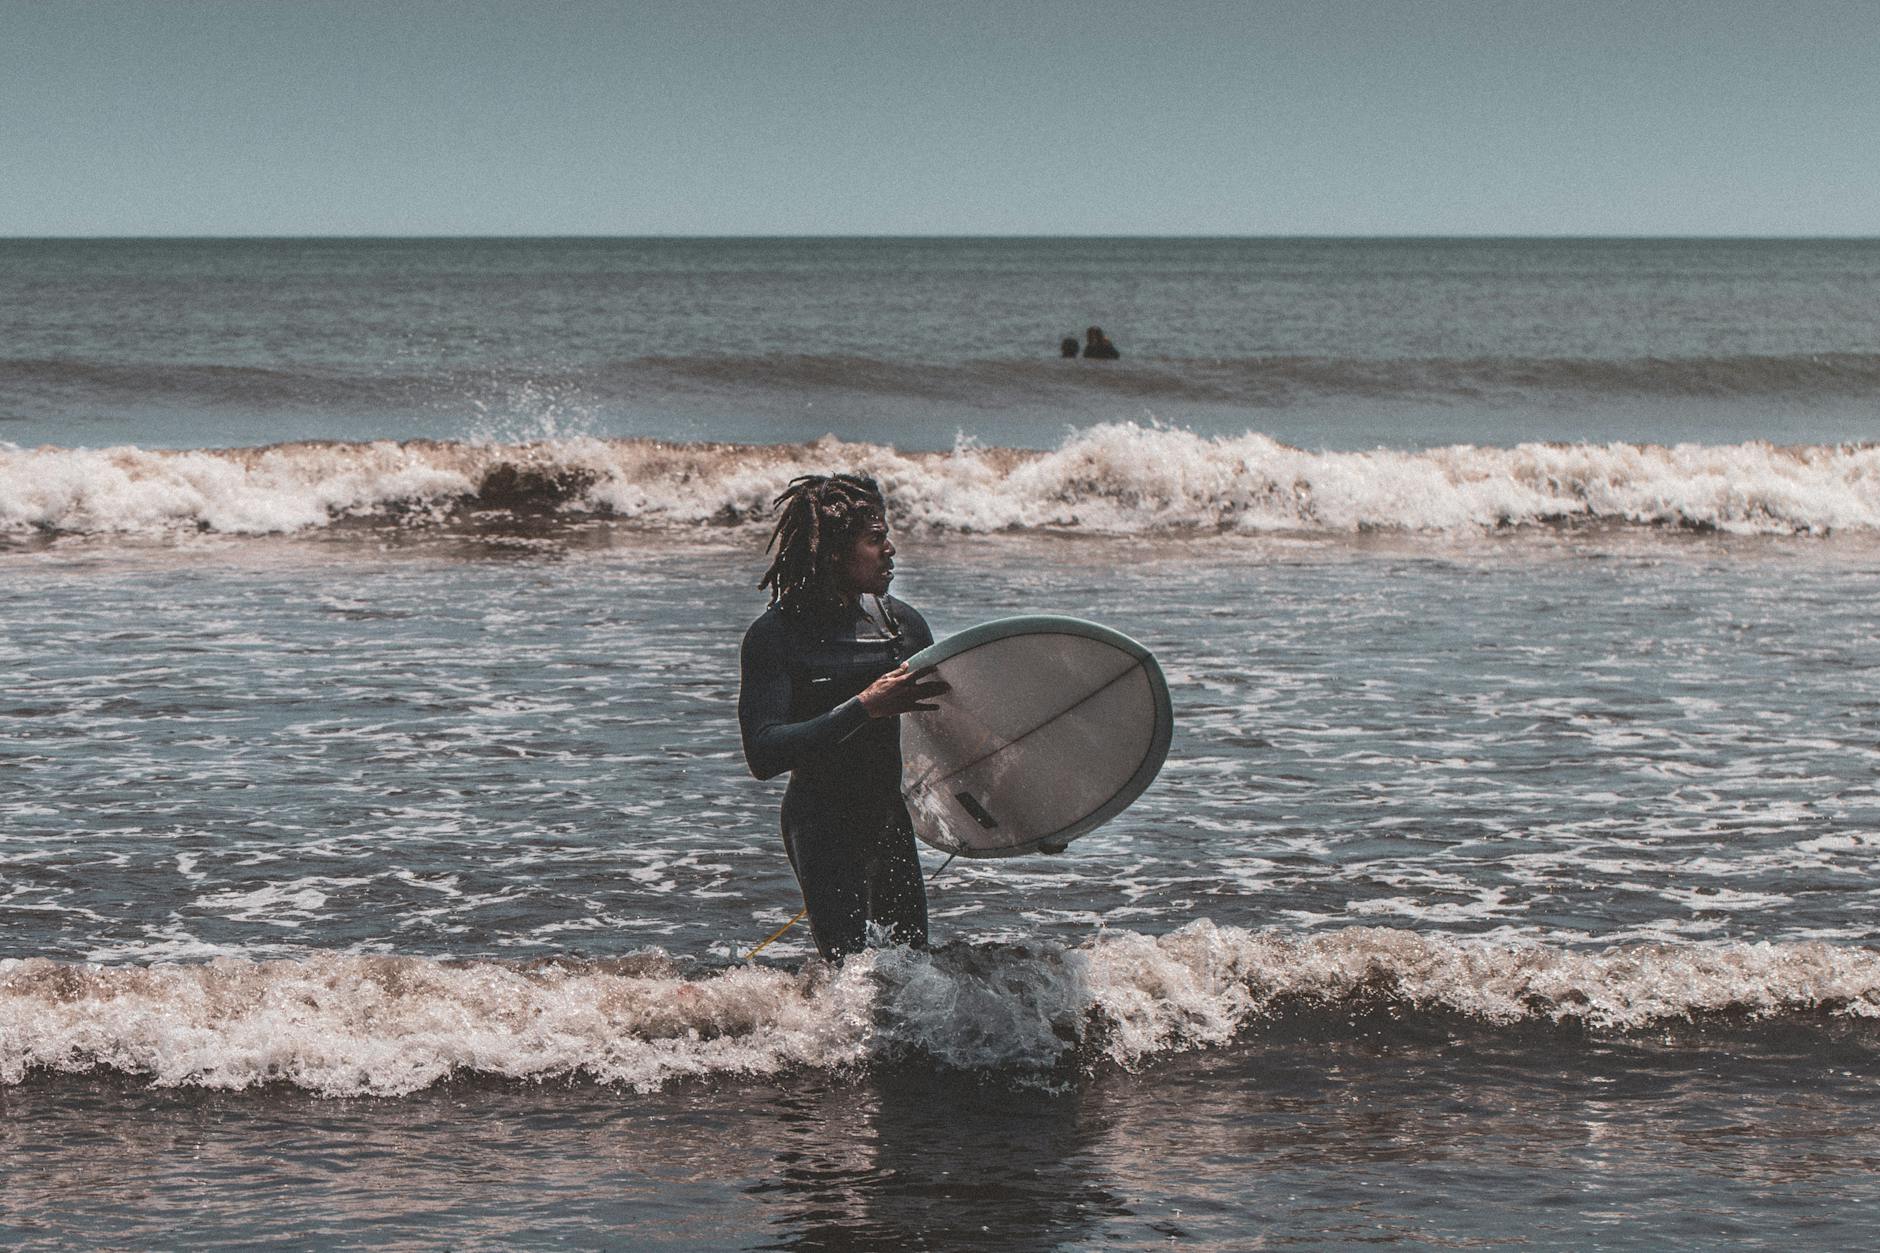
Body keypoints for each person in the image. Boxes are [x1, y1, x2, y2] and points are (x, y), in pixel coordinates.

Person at [737, 473, 948, 961]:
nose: (891, 550)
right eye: (875, 540)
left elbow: (956, 732)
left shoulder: (904, 627)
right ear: (834, 551)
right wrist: (865, 707)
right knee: (848, 975)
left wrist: (1030, 821)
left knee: (913, 971)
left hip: (888, 823)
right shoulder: (777, 636)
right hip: (821, 825)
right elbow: (764, 752)